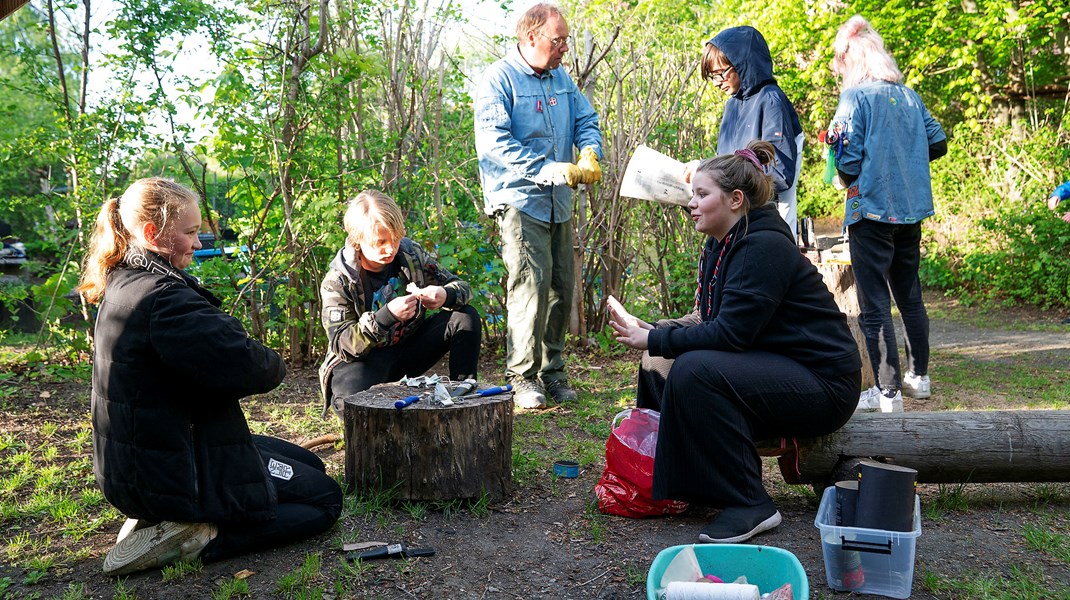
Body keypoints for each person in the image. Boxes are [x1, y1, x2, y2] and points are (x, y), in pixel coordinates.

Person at [77, 177, 342, 576]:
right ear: (152, 233)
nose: (198, 243)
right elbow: (259, 368)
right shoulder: (163, 300)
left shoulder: (123, 280)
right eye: (189, 233)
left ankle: (160, 516)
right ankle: (199, 537)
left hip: (141, 463)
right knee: (324, 498)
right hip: (173, 472)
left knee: (307, 462)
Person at [608, 141, 861, 544]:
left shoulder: (762, 246)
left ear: (736, 199)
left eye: (702, 194)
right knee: (659, 363)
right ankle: (684, 486)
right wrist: (653, 329)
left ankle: (750, 502)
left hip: (822, 385)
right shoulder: (722, 242)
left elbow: (731, 335)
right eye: (693, 194)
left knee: (694, 369)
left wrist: (655, 337)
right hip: (775, 368)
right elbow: (708, 320)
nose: (692, 203)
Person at [474, 2, 604, 409]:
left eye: (566, 39)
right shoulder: (499, 80)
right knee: (530, 286)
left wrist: (589, 151)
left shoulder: (561, 78)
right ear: (531, 37)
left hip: (558, 201)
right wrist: (548, 168)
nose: (565, 46)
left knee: (560, 287)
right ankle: (522, 377)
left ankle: (554, 373)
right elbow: (494, 143)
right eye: (558, 39)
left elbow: (587, 119)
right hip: (520, 200)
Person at [827, 15, 947, 412]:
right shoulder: (910, 96)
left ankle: (888, 391)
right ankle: (919, 378)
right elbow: (938, 141)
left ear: (852, 62)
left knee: (874, 300)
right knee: (910, 295)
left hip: (871, 210)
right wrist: (905, 158)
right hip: (911, 210)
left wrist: (852, 168)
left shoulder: (855, 98)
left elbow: (846, 161)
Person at [318, 190, 482, 417]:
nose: (390, 248)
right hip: (364, 361)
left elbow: (462, 288)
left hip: (408, 348)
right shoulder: (339, 280)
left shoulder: (410, 254)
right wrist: (386, 316)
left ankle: (462, 397)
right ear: (358, 240)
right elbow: (341, 343)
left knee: (465, 317)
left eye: (394, 239)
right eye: (380, 242)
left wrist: (445, 294)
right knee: (350, 400)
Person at [685, 26, 804, 239]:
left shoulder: (771, 101)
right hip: (735, 222)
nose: (716, 83)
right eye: (711, 77)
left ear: (742, 64)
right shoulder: (733, 105)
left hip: (767, 224)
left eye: (720, 74)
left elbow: (778, 176)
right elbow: (729, 163)